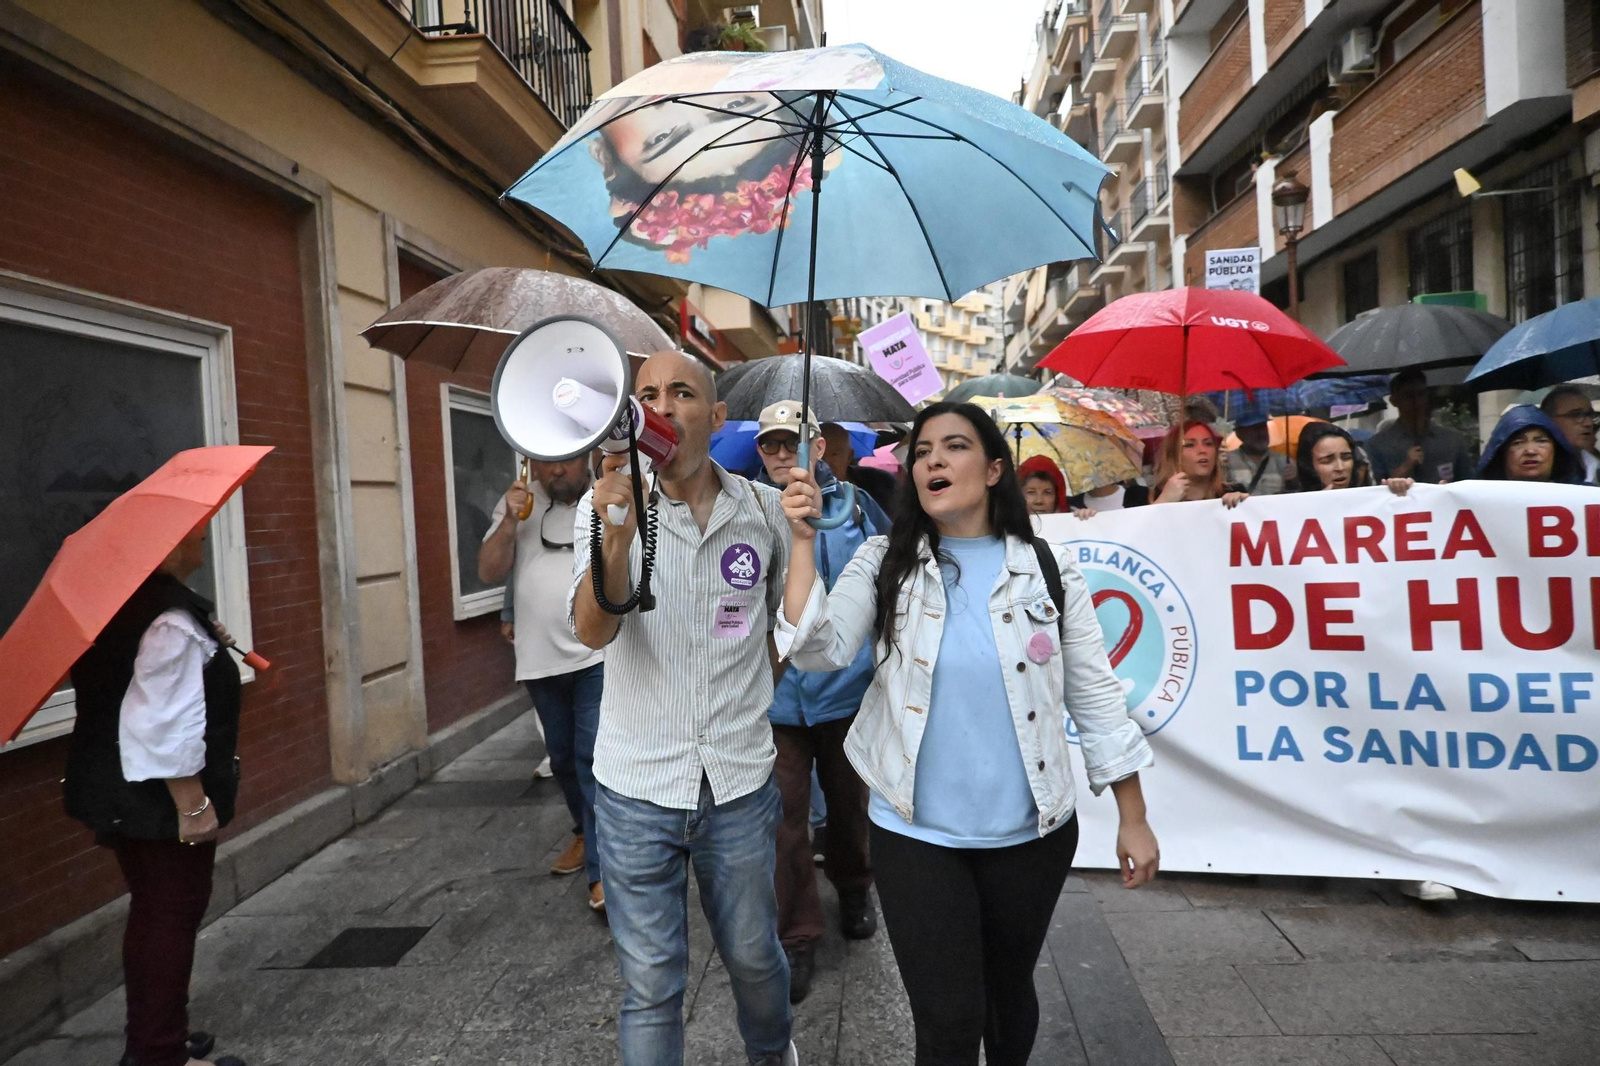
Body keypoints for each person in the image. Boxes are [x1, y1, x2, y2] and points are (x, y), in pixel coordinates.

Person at [776, 401, 1160, 1066]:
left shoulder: (1046, 565)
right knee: (949, 1023)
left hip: (1031, 836)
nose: (932, 461)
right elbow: (820, 650)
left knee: (1009, 1002)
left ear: (992, 470)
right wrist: (804, 544)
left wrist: (1133, 815)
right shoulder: (883, 560)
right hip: (916, 835)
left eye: (953, 447)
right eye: (922, 451)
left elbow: (1095, 692)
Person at [569, 351, 796, 1066]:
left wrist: (750, 692)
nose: (659, 406)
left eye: (681, 393)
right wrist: (616, 536)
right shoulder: (603, 503)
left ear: (717, 416)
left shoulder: (761, 511)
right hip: (636, 788)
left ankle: (772, 1052)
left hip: (737, 787)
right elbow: (592, 630)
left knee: (756, 958)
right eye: (646, 394)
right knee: (652, 985)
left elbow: (782, 628)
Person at [63, 524, 246, 1066]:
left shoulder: (132, 607)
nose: (204, 544)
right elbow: (162, 722)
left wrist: (210, 644)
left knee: (154, 911)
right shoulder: (168, 620)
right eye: (195, 537)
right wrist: (192, 804)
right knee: (172, 914)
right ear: (165, 548)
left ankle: (155, 1036)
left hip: (119, 790)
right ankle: (159, 1054)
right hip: (155, 800)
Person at [754, 401, 890, 1004]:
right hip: (775, 700)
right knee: (783, 822)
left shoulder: (856, 505)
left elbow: (891, 569)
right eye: (769, 445)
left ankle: (855, 885)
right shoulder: (747, 508)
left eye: (792, 442)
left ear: (818, 444)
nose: (781, 455)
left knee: (847, 804)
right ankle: (797, 935)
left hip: (845, 691)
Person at [479, 454, 606, 911]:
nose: (556, 472)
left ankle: (602, 870)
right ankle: (582, 830)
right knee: (564, 759)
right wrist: (510, 522)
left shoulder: (606, 493)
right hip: (538, 659)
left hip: (597, 653)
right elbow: (489, 570)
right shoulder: (518, 501)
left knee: (592, 759)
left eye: (567, 463)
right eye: (546, 464)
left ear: (585, 458)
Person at [1365, 369, 1476, 484]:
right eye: (1408, 396)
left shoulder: (1452, 440)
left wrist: (1450, 489)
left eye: (1420, 394)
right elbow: (1376, 490)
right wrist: (1405, 467)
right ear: (1394, 401)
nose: (1416, 402)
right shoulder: (1378, 445)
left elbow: (1468, 483)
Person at [1151, 421, 1249, 508]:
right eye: (1189, 445)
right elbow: (1141, 527)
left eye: (1208, 443)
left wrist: (1244, 506)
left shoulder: (1232, 491)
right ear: (1172, 454)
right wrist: (1164, 501)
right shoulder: (1152, 495)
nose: (1202, 450)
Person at [1477, 405, 1585, 484]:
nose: (1530, 451)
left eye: (1541, 441)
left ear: (1557, 449)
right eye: (1518, 443)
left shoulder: (1585, 498)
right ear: (1501, 453)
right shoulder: (1478, 502)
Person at [820, 421, 899, 517]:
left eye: (834, 454)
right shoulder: (807, 490)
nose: (826, 462)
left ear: (849, 456)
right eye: (820, 455)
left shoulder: (880, 483)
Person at [1539, 384, 1599, 485]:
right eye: (1576, 415)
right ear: (1549, 420)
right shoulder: (1535, 468)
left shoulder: (1595, 465)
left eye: (1589, 414)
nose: (1588, 423)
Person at [1224, 410, 1291, 495]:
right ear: (1239, 433)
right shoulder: (1228, 461)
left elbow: (1295, 495)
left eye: (1263, 427)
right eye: (1253, 429)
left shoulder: (1283, 461)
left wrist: (1293, 479)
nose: (1260, 433)